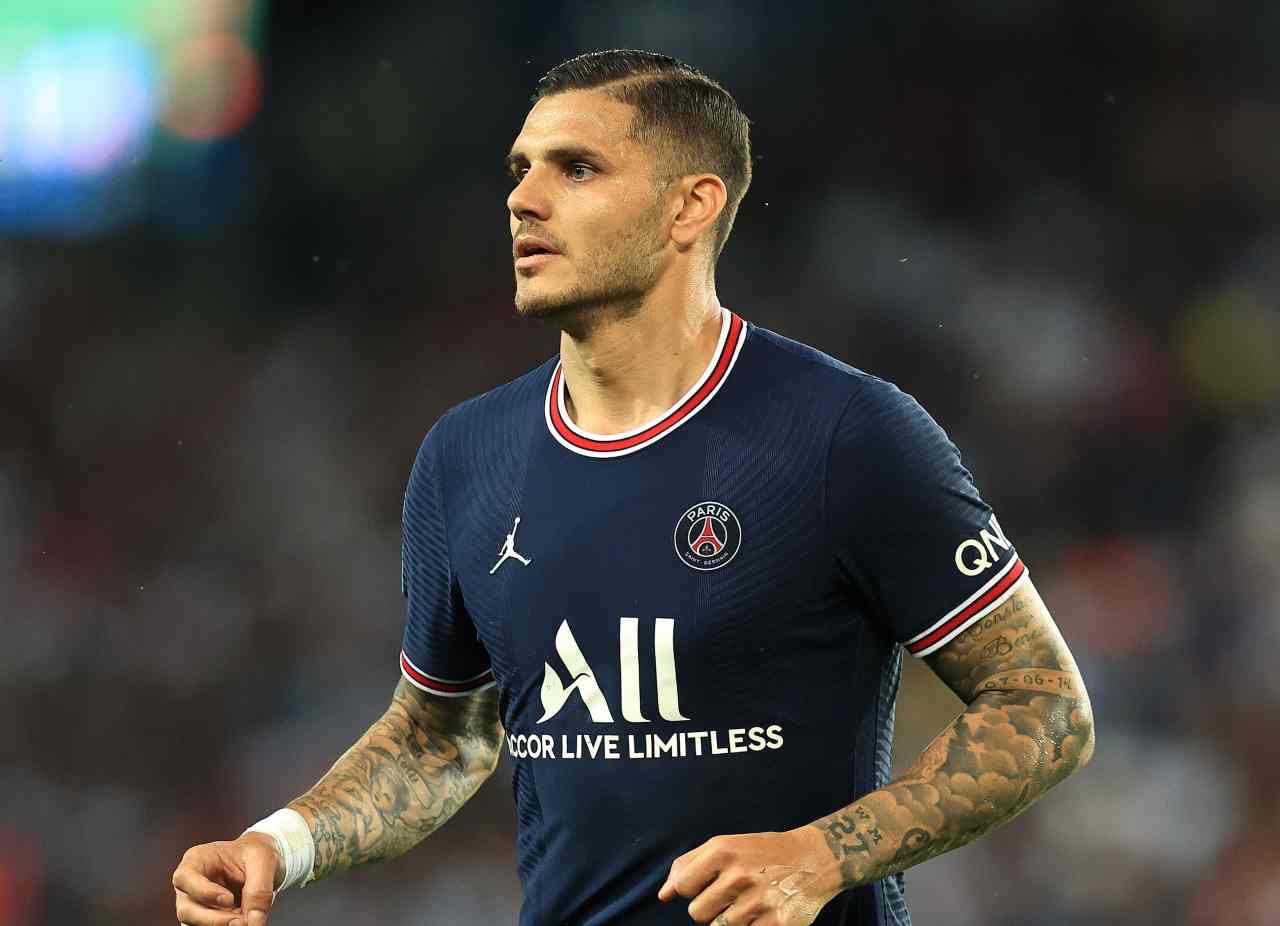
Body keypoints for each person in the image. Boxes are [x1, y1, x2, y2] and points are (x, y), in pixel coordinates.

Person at [172, 49, 1095, 926]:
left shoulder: (844, 432)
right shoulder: (465, 455)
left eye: (576, 169)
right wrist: (277, 844)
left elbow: (1041, 702)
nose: (522, 199)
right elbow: (440, 736)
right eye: (520, 169)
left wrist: (823, 855)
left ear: (690, 206)